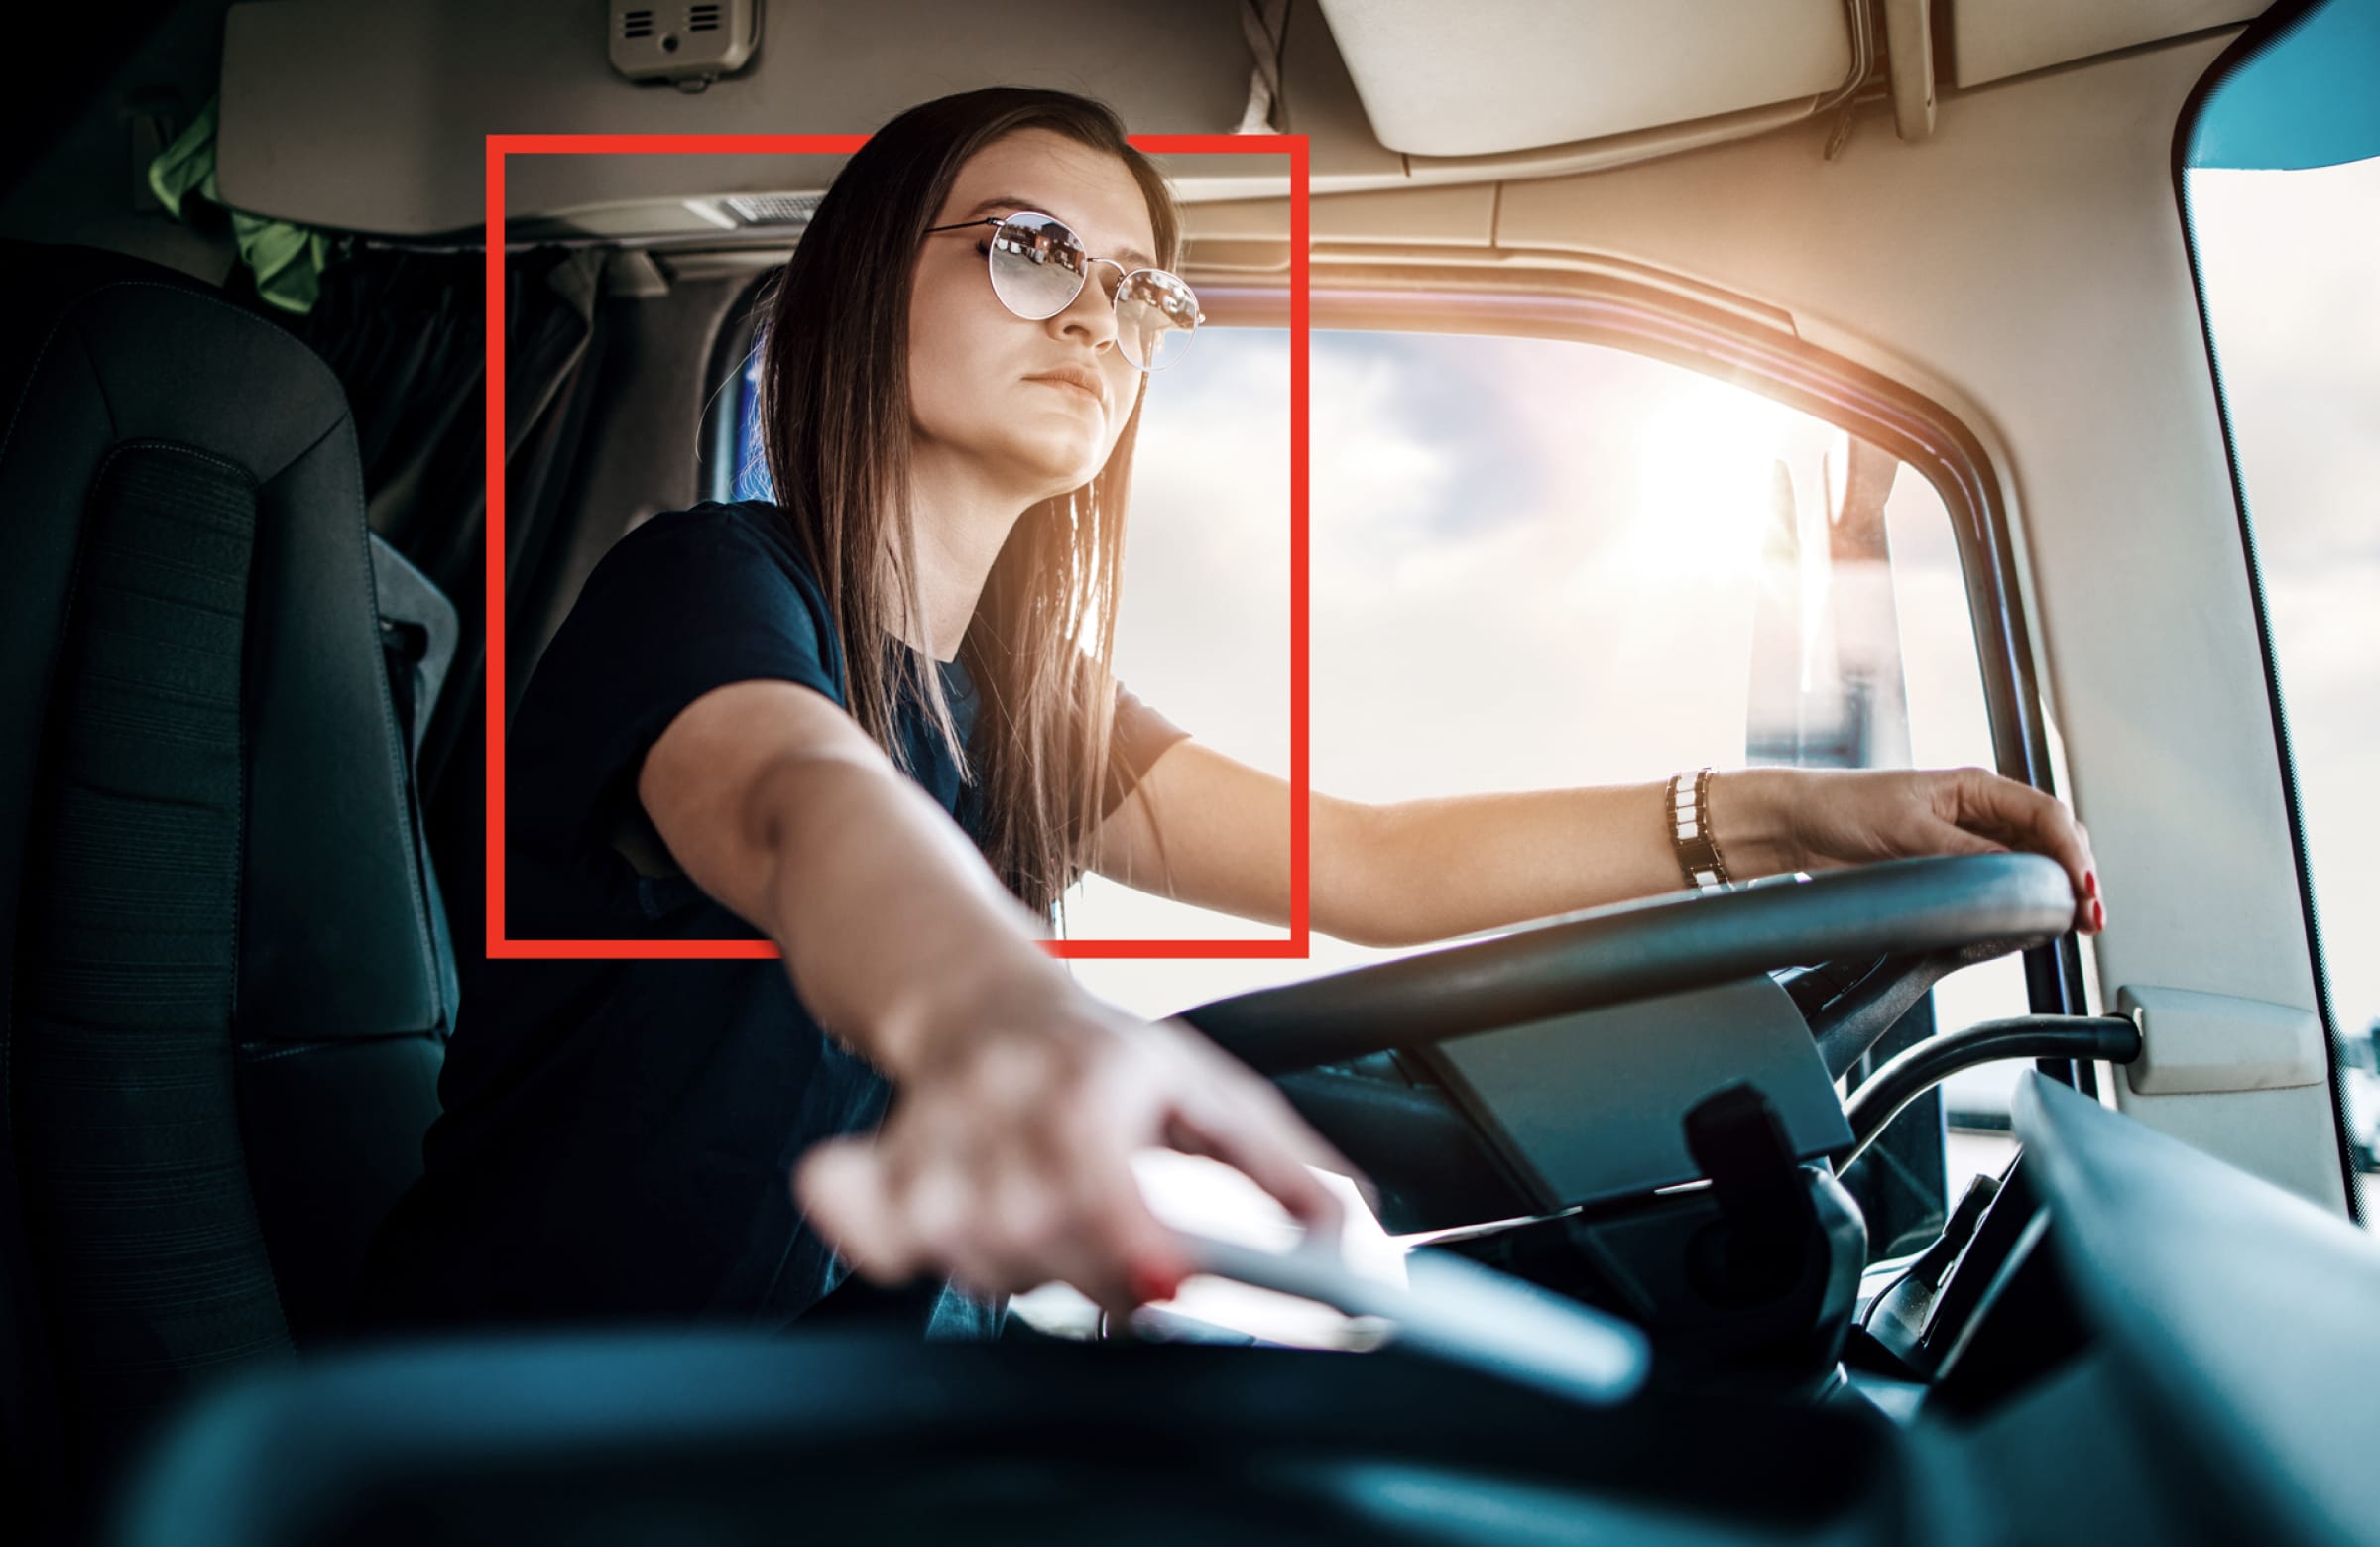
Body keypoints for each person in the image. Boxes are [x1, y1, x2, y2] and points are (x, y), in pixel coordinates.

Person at [352, 85, 2103, 1344]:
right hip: (550, 1423)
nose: (1103, 320)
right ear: (862, 281)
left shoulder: (1020, 706)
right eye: (1034, 251)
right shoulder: (709, 588)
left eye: (1140, 287)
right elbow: (807, 810)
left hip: (835, 1400)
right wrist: (999, 1016)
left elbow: (1376, 859)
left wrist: (1776, 823)